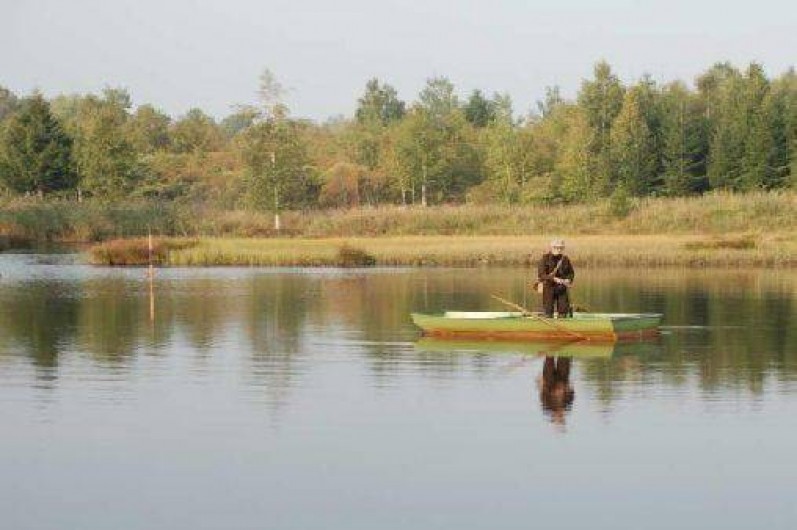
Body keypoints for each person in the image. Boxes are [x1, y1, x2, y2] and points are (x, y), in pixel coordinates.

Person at [536, 238, 575, 318]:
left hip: (562, 288)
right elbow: (541, 275)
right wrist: (554, 279)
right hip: (548, 287)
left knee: (563, 314)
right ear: (552, 247)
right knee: (548, 314)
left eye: (561, 248)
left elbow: (571, 273)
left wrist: (568, 280)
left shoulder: (565, 259)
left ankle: (562, 316)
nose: (559, 249)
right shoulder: (545, 259)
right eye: (556, 247)